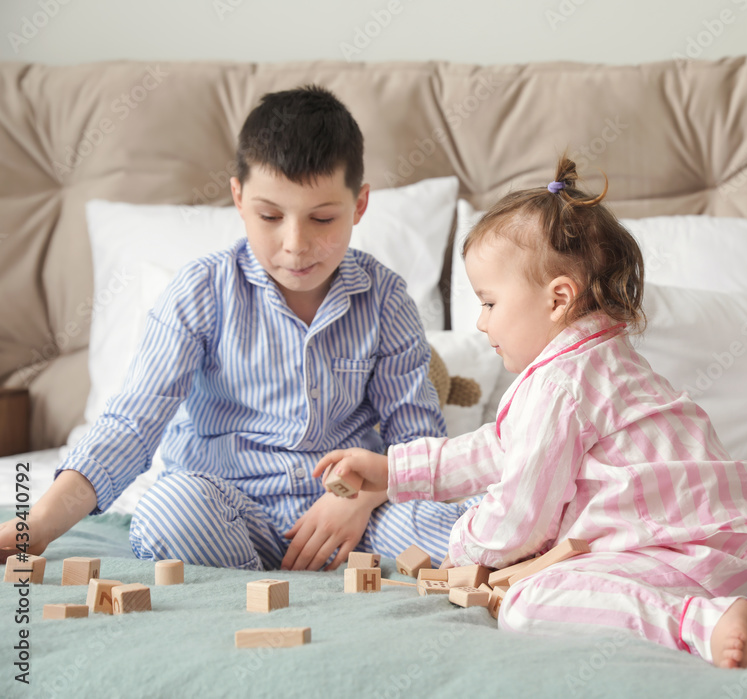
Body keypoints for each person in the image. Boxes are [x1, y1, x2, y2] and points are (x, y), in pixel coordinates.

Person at [315, 156, 747, 669]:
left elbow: (520, 518)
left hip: (685, 560)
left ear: (558, 299)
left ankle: (700, 624)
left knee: (528, 603)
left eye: (489, 303)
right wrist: (392, 470)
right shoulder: (600, 361)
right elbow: (498, 449)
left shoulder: (559, 386)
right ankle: (723, 611)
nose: (480, 321)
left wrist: (464, 550)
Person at [0, 85, 474, 572]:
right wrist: (36, 525)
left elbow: (416, 442)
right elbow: (131, 426)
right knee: (169, 513)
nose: (295, 244)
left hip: (351, 511)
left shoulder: (386, 298)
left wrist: (361, 495)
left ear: (359, 205)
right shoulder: (200, 290)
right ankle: (265, 583)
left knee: (450, 530)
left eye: (323, 218)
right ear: (238, 199)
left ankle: (319, 570)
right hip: (227, 509)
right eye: (270, 216)